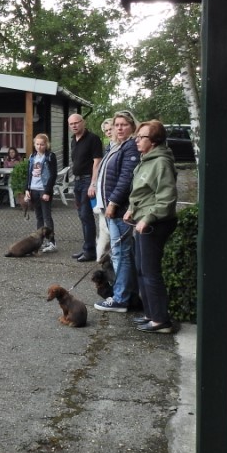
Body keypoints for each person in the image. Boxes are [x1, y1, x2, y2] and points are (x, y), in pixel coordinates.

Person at [125, 120, 179, 333]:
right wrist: (132, 209)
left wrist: (148, 218)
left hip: (155, 224)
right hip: (142, 221)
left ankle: (161, 320)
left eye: (142, 137)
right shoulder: (146, 160)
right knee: (141, 269)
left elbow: (166, 198)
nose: (137, 140)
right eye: (137, 137)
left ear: (154, 140)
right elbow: (142, 192)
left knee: (150, 271)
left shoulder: (161, 163)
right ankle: (150, 314)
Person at [93, 110, 141, 313]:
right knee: (121, 254)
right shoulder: (118, 146)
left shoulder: (130, 147)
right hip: (110, 208)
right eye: (117, 125)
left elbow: (125, 179)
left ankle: (121, 298)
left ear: (132, 127)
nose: (119, 128)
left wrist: (112, 203)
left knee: (121, 254)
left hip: (119, 210)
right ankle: (126, 294)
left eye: (124, 125)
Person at [68, 113, 104, 262]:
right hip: (77, 181)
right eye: (71, 124)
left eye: (77, 122)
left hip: (87, 181)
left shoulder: (93, 139)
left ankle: (90, 251)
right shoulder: (73, 140)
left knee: (86, 215)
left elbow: (97, 162)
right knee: (82, 216)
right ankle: (86, 248)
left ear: (83, 122)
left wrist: (93, 184)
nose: (74, 126)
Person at [24, 133, 58, 251]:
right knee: (39, 217)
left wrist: (47, 191)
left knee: (47, 216)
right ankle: (39, 241)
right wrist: (27, 189)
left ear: (46, 145)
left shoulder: (50, 156)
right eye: (37, 144)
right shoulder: (32, 157)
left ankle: (51, 242)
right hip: (33, 188)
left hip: (44, 189)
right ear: (34, 144)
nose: (39, 146)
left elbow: (53, 175)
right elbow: (29, 173)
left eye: (42, 144)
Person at [94, 118, 114, 264]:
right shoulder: (108, 148)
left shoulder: (121, 148)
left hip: (113, 200)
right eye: (106, 131)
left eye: (110, 129)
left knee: (113, 233)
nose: (108, 132)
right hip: (102, 199)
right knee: (103, 231)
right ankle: (101, 258)